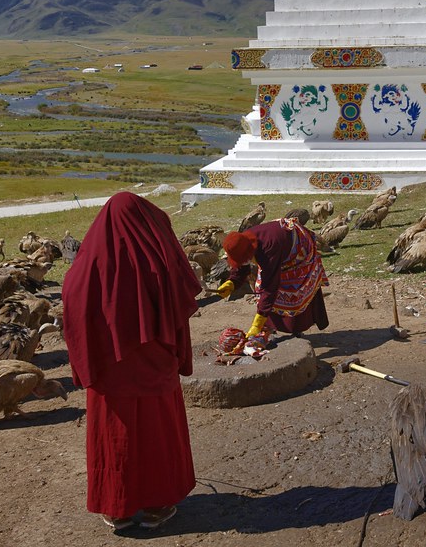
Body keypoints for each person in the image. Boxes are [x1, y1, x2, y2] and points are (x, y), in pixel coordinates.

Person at [62, 192, 202, 532]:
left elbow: (72, 301)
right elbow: (183, 296)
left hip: (110, 372)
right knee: (157, 432)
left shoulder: (90, 261)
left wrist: (88, 359)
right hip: (155, 365)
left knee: (115, 437)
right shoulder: (160, 255)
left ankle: (118, 509)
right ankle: (158, 506)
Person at [216, 216, 329, 339]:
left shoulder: (268, 249)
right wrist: (231, 283)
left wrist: (257, 323)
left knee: (291, 290)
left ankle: (295, 328)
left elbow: (270, 287)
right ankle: (270, 327)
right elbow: (242, 263)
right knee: (262, 287)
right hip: (279, 245)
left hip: (299, 248)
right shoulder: (244, 242)